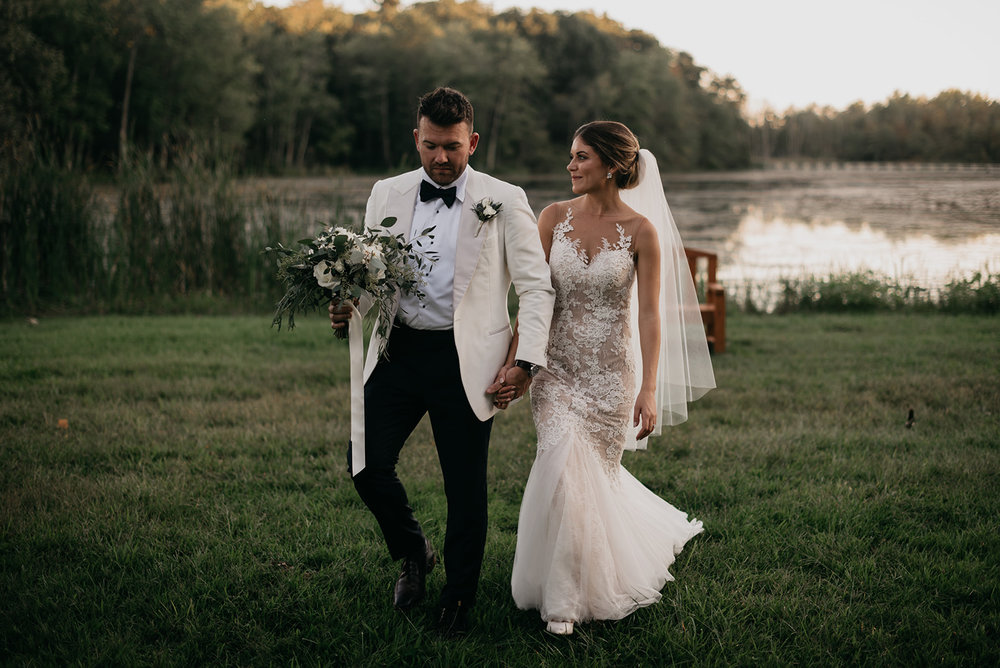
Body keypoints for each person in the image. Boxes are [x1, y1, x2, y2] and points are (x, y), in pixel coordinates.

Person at [328, 87, 554, 638]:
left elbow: (537, 288)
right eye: (431, 146)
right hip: (397, 351)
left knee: (465, 488)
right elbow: (370, 271)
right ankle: (413, 551)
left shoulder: (505, 198)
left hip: (468, 359)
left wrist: (525, 361)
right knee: (366, 463)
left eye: (452, 147)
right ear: (417, 139)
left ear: (472, 141)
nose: (441, 158)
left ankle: (458, 598)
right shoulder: (386, 192)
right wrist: (350, 304)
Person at [506, 121, 716, 635]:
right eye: (571, 156)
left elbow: (649, 316)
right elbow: (534, 299)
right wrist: (518, 362)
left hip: (611, 378)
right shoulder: (552, 218)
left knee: (590, 480)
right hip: (556, 373)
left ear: (612, 165)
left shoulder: (642, 231)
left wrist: (647, 388)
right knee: (562, 472)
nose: (570, 165)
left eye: (581, 157)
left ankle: (584, 582)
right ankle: (562, 604)